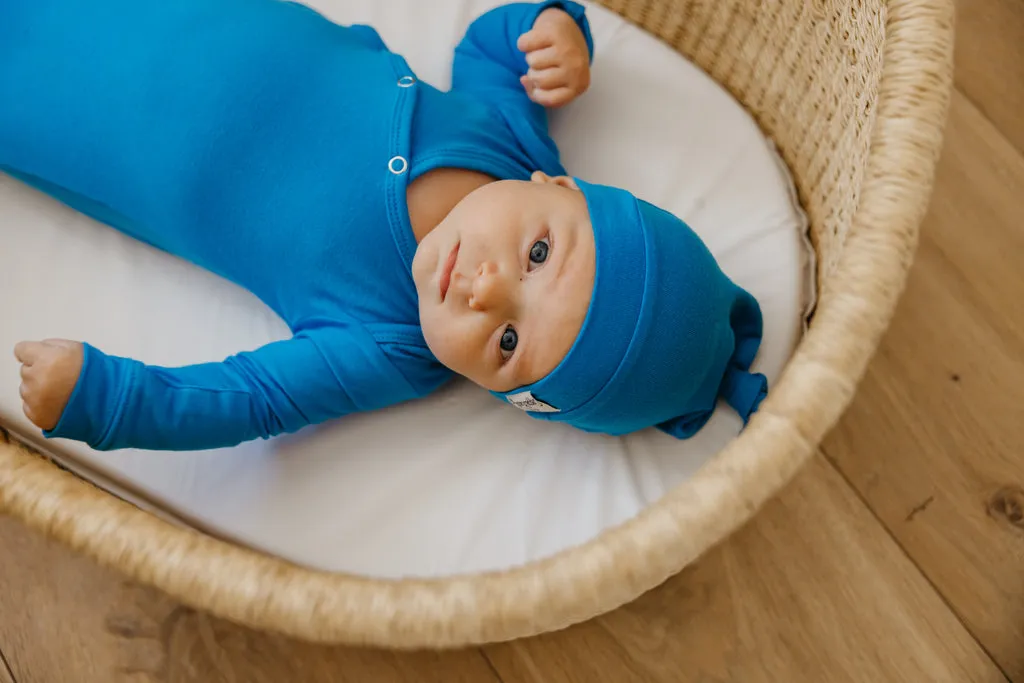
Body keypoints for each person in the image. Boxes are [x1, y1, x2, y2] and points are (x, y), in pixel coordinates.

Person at [3, 0, 768, 452]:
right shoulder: (509, 136)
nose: (486, 288)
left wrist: (106, 399)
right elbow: (491, 49)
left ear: (499, 392)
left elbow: (253, 397)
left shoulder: (388, 344)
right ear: (558, 185)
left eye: (506, 343)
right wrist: (554, 29)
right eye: (538, 253)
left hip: (94, 120)